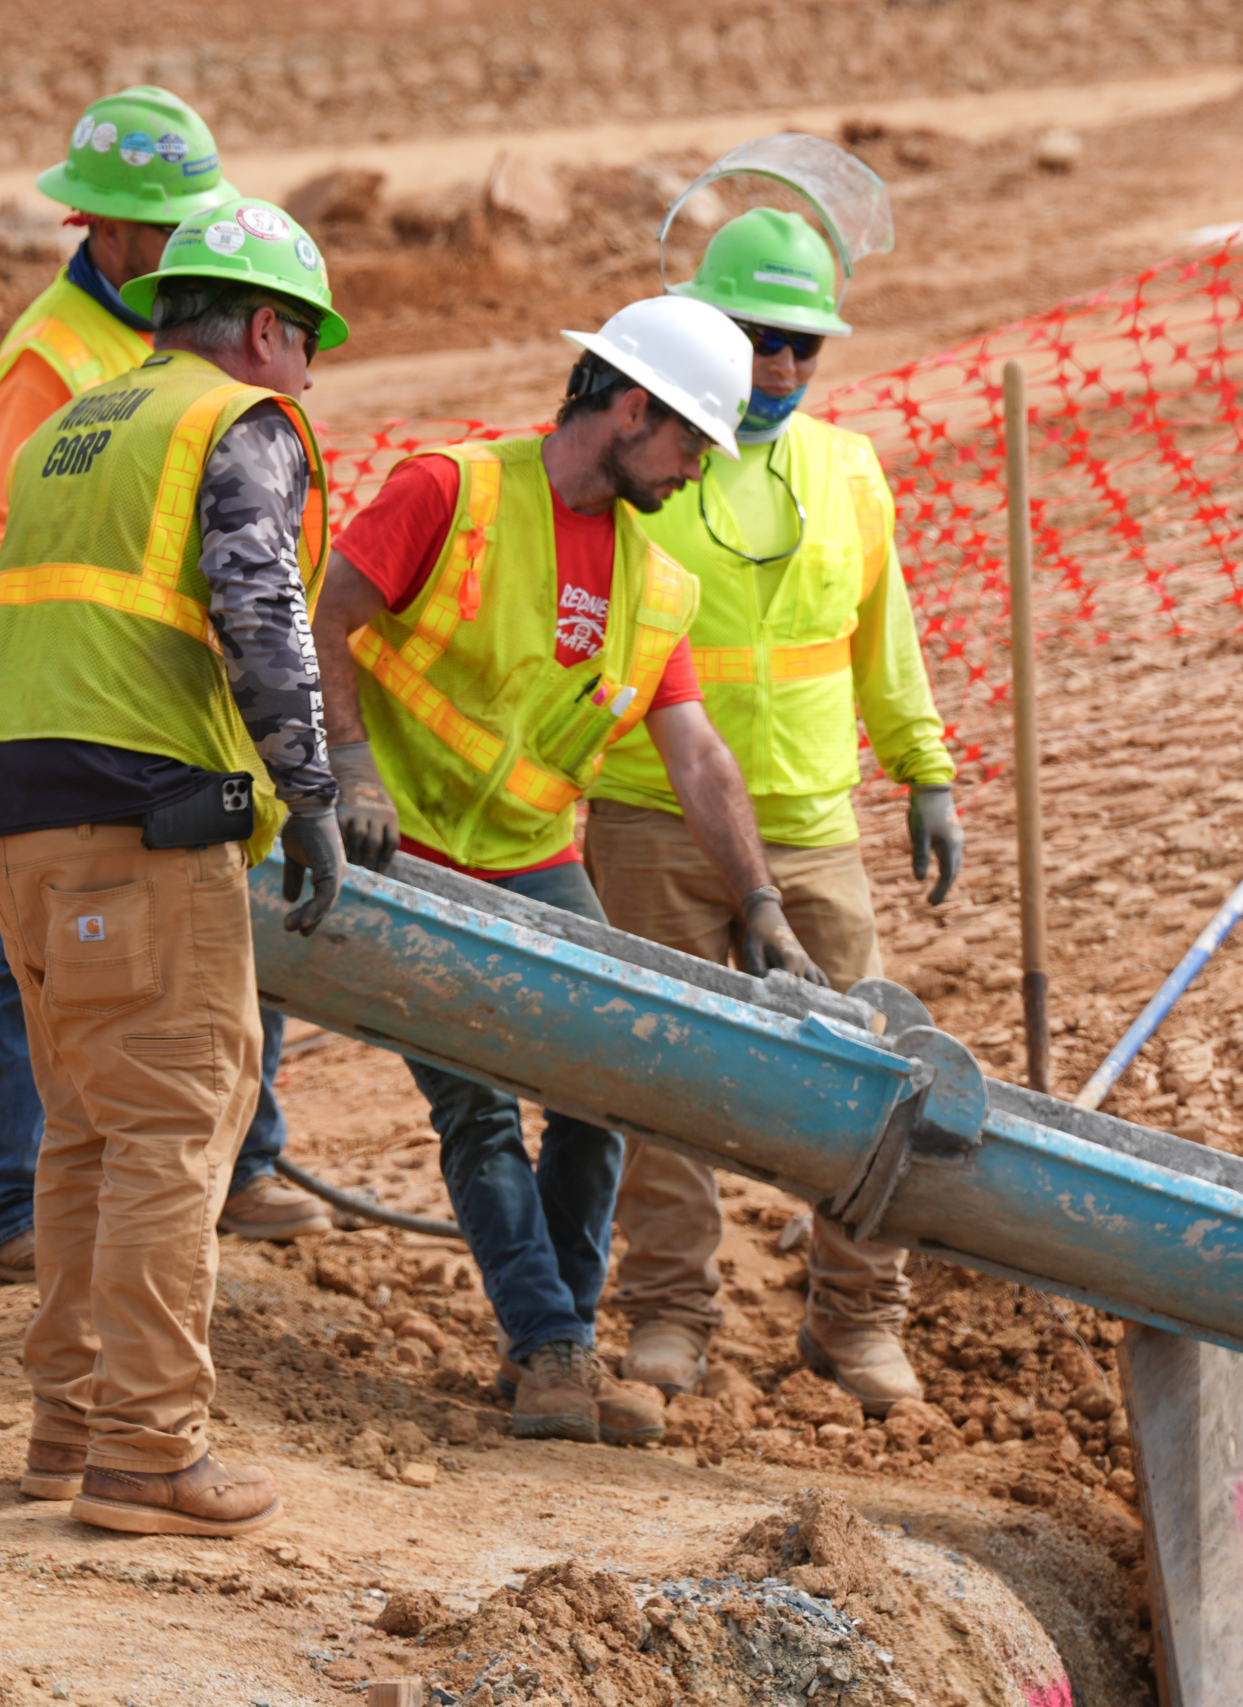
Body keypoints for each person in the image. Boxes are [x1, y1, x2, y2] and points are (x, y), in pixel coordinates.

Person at [312, 295, 829, 1448]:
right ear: (628, 408)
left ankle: (552, 1334)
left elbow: (695, 753)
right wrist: (349, 771)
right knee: (476, 1104)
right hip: (404, 850)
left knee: (604, 1092)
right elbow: (327, 615)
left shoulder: (655, 583)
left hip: (534, 861)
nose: (697, 472)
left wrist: (760, 904)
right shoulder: (452, 492)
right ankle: (551, 1348)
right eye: (692, 442)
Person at [0, 198, 351, 1537]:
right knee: (180, 1122)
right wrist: (311, 789)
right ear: (262, 327)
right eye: (307, 346)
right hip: (141, 807)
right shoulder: (230, 424)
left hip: (13, 804)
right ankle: (149, 1448)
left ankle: (69, 1426)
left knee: (90, 1125)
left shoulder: (88, 418)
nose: (309, 379)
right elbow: (261, 603)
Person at [587, 208, 961, 1416]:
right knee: (661, 1082)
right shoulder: (652, 466)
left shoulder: (847, 472)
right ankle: (669, 1318)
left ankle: (856, 1324)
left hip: (808, 824)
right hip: (651, 816)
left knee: (866, 1082)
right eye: (758, 339)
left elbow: (881, 638)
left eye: (803, 345)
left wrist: (926, 770)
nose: (782, 368)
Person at [0, 88, 328, 1285]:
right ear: (103, 232)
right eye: (164, 234)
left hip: (85, 744)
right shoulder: (60, 359)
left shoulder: (133, 376)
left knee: (127, 1080)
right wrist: (309, 780)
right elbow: (0, 546)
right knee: (151, 1108)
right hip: (107, 731)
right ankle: (138, 1433)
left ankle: (238, 1165)